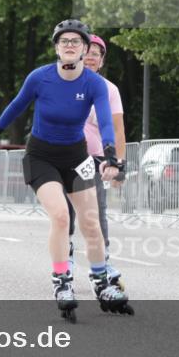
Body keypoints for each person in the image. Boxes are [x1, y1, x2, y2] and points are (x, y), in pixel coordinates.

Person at [0, 19, 131, 321]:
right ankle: (62, 281)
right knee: (61, 216)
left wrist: (111, 156)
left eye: (76, 41)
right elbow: (16, 106)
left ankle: (102, 282)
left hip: (77, 157)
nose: (70, 45)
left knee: (91, 223)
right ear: (57, 48)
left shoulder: (94, 84)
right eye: (64, 41)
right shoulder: (40, 77)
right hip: (42, 156)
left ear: (85, 48)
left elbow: (106, 121)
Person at [66, 34, 127, 287]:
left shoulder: (109, 89)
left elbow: (118, 129)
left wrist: (119, 164)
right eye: (87, 52)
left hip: (95, 159)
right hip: (65, 155)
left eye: (96, 54)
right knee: (65, 212)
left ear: (101, 61)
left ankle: (103, 263)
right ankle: (65, 261)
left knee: (96, 212)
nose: (90, 57)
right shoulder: (64, 82)